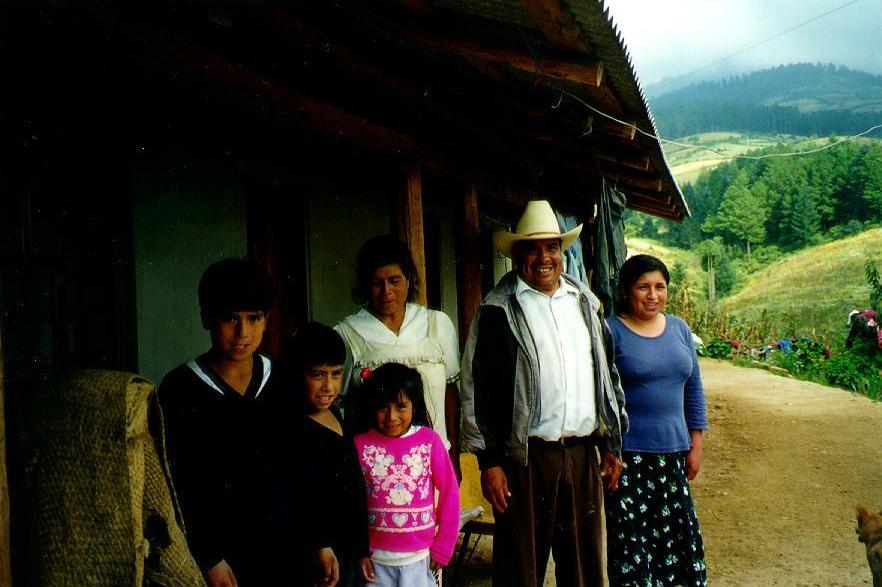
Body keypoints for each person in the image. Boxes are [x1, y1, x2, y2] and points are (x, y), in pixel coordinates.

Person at [460, 199, 629, 587]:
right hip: (524, 460)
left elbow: (608, 376)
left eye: (551, 246)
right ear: (518, 254)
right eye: (532, 248)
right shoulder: (497, 310)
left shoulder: (586, 304)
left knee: (584, 569)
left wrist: (612, 445)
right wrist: (490, 463)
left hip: (584, 455)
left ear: (562, 251)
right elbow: (475, 388)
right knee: (521, 570)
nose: (543, 257)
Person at [158, 258, 294, 586]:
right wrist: (208, 557)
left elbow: (297, 467)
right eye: (230, 318)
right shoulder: (181, 387)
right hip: (218, 558)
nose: (242, 333)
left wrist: (319, 541)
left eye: (253, 319)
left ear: (266, 320)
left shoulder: (280, 381)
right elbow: (180, 483)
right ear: (206, 318)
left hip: (281, 549)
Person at [604, 254, 708, 586]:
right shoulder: (610, 331)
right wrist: (609, 450)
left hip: (674, 456)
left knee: (677, 545)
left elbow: (693, 389)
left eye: (660, 287)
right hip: (629, 459)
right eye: (642, 287)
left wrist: (696, 445)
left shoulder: (679, 329)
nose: (652, 295)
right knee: (633, 547)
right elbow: (601, 397)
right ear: (625, 291)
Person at [336, 235, 461, 481]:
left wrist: (453, 457)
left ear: (409, 280)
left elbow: (450, 393)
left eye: (395, 281)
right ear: (365, 284)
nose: (387, 292)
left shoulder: (437, 324)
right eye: (376, 283)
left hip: (434, 463)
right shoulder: (347, 334)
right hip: (375, 470)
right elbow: (335, 405)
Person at [352, 363, 460, 586]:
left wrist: (444, 546)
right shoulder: (360, 445)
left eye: (401, 406)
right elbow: (350, 503)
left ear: (414, 405)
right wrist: (357, 551)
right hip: (375, 563)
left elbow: (450, 491)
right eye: (383, 407)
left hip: (421, 559)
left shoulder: (429, 441)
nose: (391, 416)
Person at [287, 321, 370, 587]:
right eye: (318, 375)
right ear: (297, 373)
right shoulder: (293, 426)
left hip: (345, 550)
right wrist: (320, 544)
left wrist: (360, 550)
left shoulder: (334, 414)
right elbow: (303, 495)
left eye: (336, 374)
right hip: (317, 554)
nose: (329, 387)